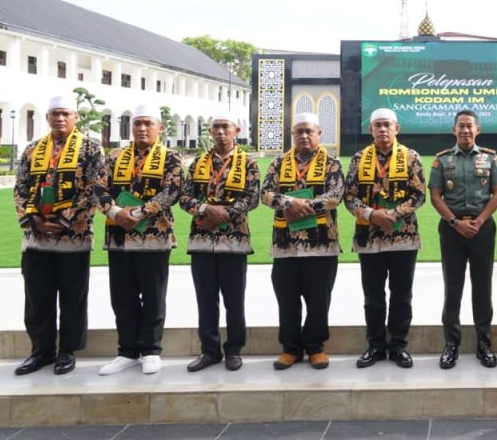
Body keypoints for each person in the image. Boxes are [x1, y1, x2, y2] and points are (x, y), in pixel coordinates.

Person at [12, 95, 104, 376]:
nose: (60, 119)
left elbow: (94, 188)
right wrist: (33, 219)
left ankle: (67, 351)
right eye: (55, 114)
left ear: (76, 118)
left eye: (65, 114)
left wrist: (65, 219)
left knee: (72, 298)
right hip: (36, 237)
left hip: (73, 237)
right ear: (48, 118)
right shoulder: (33, 149)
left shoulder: (90, 148)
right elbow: (20, 187)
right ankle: (40, 351)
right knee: (37, 298)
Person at [97, 105, 183, 376]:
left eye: (148, 123)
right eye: (137, 124)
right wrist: (114, 211)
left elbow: (173, 190)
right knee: (122, 297)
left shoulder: (170, 158)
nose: (142, 129)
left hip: (154, 236)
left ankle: (150, 350)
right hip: (119, 236)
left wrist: (140, 212)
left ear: (160, 128)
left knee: (154, 296)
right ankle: (127, 351)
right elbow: (98, 187)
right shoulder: (114, 156)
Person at [261, 112, 344, 370]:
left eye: (309, 131)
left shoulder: (332, 162)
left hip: (321, 244)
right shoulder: (278, 163)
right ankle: (291, 348)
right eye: (299, 132)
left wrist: (303, 205)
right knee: (287, 299)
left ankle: (315, 347)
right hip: (286, 245)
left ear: (319, 134)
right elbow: (265, 194)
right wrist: (288, 202)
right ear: (292, 135)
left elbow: (336, 196)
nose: (304, 136)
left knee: (319, 300)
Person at [344, 108, 426, 369]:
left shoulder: (411, 157)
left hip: (403, 237)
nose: (382, 129)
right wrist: (371, 214)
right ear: (370, 130)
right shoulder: (359, 159)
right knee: (373, 296)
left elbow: (419, 194)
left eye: (387, 125)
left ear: (396, 128)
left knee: (402, 295)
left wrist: (393, 214)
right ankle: (376, 346)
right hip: (369, 238)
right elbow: (349, 196)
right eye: (377, 125)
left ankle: (398, 346)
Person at [179, 112, 260, 372]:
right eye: (216, 127)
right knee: (205, 298)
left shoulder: (248, 162)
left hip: (234, 241)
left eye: (226, 127)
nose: (220, 132)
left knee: (234, 299)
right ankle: (209, 351)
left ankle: (234, 349)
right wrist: (205, 209)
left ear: (236, 130)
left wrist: (225, 214)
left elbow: (252, 197)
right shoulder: (197, 162)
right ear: (210, 132)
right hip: (202, 240)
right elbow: (184, 198)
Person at [429, 110, 497, 369]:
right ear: (454, 130)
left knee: (482, 288)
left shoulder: (490, 158)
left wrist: (479, 221)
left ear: (477, 130)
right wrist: (455, 223)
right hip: (452, 229)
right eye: (460, 126)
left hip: (482, 228)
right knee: (453, 288)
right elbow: (436, 196)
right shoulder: (442, 160)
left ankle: (484, 344)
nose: (465, 131)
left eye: (469, 126)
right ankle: (451, 344)